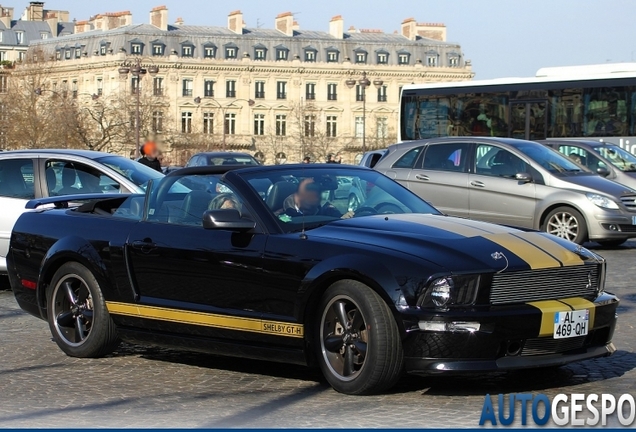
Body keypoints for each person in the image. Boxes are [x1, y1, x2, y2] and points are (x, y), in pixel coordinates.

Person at [277, 178, 353, 218]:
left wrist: (343, 219)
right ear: (296, 197)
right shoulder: (283, 217)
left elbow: (339, 219)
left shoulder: (327, 211)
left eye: (315, 190)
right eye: (308, 189)